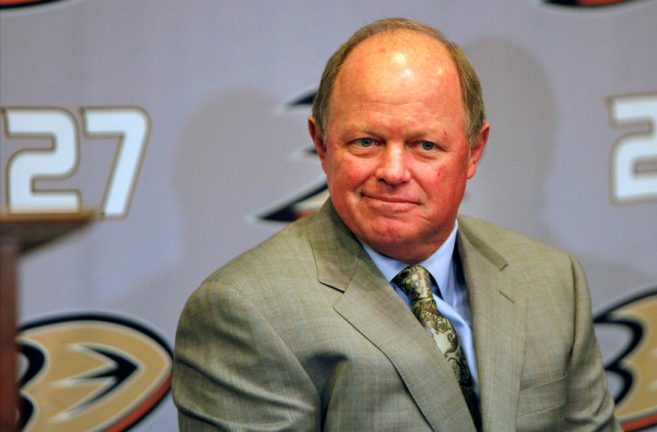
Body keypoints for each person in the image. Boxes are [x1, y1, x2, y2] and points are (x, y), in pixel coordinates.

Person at [172, 17, 621, 431]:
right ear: (322, 145)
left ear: (474, 151)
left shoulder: (552, 281)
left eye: (425, 145)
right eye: (366, 141)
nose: (393, 170)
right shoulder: (244, 312)